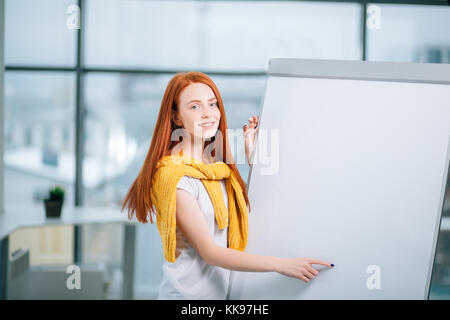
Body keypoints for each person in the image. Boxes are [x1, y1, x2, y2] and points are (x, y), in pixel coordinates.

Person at [121, 71, 334, 300]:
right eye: (195, 107)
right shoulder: (174, 176)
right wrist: (281, 265)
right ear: (176, 117)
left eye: (212, 104)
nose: (208, 114)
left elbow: (246, 212)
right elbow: (210, 252)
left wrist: (254, 161)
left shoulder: (215, 165)